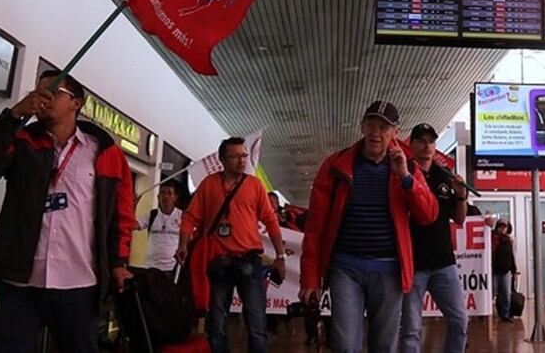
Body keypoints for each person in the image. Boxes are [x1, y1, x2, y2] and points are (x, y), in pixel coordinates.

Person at [0, 70, 134, 353]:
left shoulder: (104, 152)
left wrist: (118, 262)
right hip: (19, 281)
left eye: (54, 91)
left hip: (79, 282)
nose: (42, 97)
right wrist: (15, 114)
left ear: (76, 103)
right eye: (38, 91)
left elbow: (121, 212)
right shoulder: (21, 141)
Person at [299, 100, 438, 353]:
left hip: (389, 272)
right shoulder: (336, 166)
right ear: (362, 127)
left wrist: (406, 178)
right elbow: (316, 226)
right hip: (346, 269)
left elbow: (428, 214)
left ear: (395, 132)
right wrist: (310, 277)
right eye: (371, 125)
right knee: (344, 345)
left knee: (384, 346)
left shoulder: (408, 167)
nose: (376, 133)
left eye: (384, 127)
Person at [176, 137, 287, 353]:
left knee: (257, 325)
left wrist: (280, 257)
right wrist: (183, 244)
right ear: (222, 160)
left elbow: (271, 221)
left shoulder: (254, 185)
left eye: (244, 155)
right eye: (235, 156)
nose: (241, 160)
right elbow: (190, 217)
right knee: (216, 324)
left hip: (249, 261)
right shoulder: (209, 185)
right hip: (219, 264)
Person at [400, 123, 469, 353]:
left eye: (431, 141)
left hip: (443, 263)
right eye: (421, 140)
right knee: (411, 329)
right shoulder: (402, 173)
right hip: (413, 263)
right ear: (412, 144)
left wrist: (461, 196)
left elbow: (459, 219)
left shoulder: (445, 176)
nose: (427, 145)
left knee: (460, 321)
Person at [134, 181, 182, 276]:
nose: (165, 196)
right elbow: (131, 225)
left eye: (169, 193)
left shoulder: (182, 216)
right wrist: (132, 206)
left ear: (175, 197)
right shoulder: (152, 215)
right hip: (150, 267)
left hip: (171, 268)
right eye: (163, 192)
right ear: (158, 196)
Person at [492, 220, 517, 323]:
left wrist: (514, 270)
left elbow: (511, 256)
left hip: (506, 271)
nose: (502, 229)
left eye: (504, 227)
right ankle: (487, 314)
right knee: (492, 292)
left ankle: (505, 315)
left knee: (506, 294)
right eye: (500, 226)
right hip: (495, 271)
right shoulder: (493, 239)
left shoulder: (508, 240)